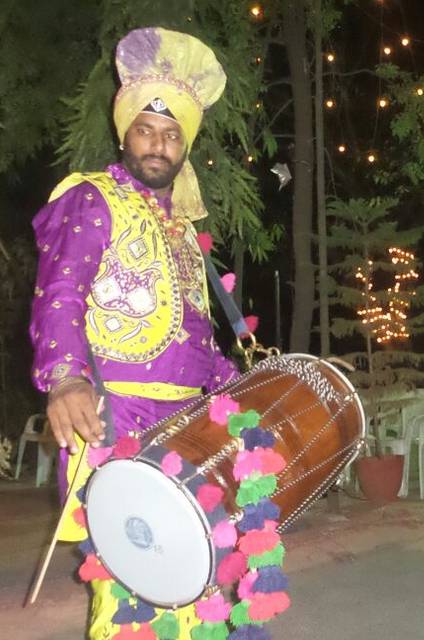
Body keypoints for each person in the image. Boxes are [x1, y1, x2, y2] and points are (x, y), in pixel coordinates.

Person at [30, 27, 237, 639]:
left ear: (184, 148)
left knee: (201, 581)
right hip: (112, 415)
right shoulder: (92, 199)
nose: (158, 143)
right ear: (125, 133)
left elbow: (196, 337)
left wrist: (244, 392)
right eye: (146, 129)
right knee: (132, 593)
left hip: (193, 427)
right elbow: (60, 291)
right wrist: (64, 377)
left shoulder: (184, 233)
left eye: (172, 134)